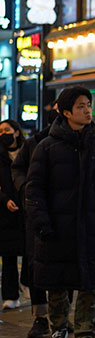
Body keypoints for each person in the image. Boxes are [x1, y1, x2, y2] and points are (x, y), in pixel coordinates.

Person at [26, 86, 95, 338]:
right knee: (58, 282)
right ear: (67, 112)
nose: (87, 110)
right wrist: (41, 222)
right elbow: (34, 189)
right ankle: (58, 328)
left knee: (89, 284)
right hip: (57, 228)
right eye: (81, 106)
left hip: (92, 228)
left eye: (89, 105)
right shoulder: (47, 147)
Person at [12, 107, 61, 338]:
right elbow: (18, 168)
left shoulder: (82, 142)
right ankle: (41, 317)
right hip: (37, 212)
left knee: (64, 264)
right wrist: (25, 190)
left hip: (66, 214)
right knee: (36, 265)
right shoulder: (36, 142)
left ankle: (61, 317)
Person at [0, 120, 25, 311]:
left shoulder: (27, 151)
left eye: (6, 130)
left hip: (26, 208)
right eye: (0, 131)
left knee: (29, 251)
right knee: (8, 254)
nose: (3, 134)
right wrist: (5, 199)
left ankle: (27, 283)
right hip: (5, 211)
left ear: (16, 132)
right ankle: (10, 295)